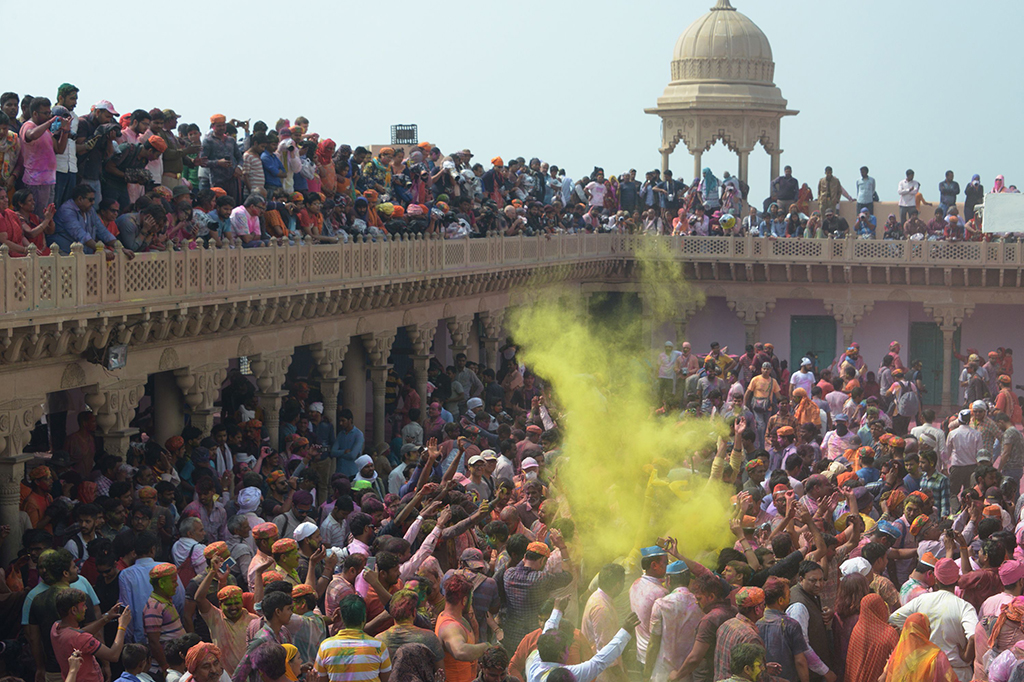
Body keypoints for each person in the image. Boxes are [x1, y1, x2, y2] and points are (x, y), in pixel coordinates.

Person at [889, 558, 978, 681]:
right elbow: (974, 637)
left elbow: (893, 619)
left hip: (926, 672)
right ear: (957, 580)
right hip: (957, 673)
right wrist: (966, 657)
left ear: (936, 579)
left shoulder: (922, 600)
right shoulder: (964, 607)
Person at [524, 604, 639, 682]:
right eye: (567, 647)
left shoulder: (534, 665)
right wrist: (625, 631)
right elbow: (599, 661)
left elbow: (546, 630)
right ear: (561, 654)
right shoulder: (564, 675)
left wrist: (557, 610)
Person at [314, 594, 392, 682]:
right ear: (364, 618)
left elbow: (320, 679)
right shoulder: (378, 647)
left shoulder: (326, 647)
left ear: (342, 618)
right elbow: (387, 679)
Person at [646, 561, 700, 682]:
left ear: (669, 580)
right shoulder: (699, 603)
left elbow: (653, 644)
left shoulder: (661, 604)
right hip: (688, 673)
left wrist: (646, 673)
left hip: (663, 674)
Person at [881, 612, 958, 682]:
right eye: (928, 627)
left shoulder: (898, 654)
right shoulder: (936, 656)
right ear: (924, 630)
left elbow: (881, 679)